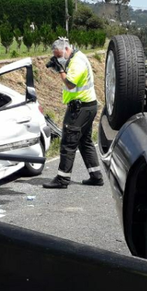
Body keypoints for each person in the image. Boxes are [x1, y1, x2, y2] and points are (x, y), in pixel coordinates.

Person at [42, 38, 103, 189]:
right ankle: (96, 176)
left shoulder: (77, 62)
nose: (57, 58)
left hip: (80, 108)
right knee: (85, 141)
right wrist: (61, 66)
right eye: (55, 56)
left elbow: (70, 83)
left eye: (58, 55)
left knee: (68, 142)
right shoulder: (77, 57)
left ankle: (62, 179)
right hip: (87, 106)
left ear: (66, 50)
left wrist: (61, 70)